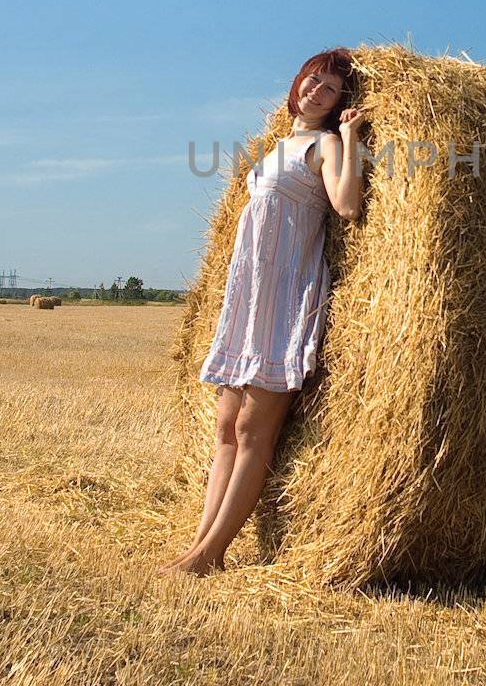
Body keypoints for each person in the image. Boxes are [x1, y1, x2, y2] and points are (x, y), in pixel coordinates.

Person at [158, 47, 366, 576]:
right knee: (226, 425)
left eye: (330, 89)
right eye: (312, 81)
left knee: (254, 429)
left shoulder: (322, 145)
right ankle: (200, 543)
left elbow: (345, 206)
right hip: (249, 296)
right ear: (298, 83)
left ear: (341, 101)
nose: (316, 92)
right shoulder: (275, 147)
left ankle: (211, 554)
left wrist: (349, 138)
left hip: (286, 294)